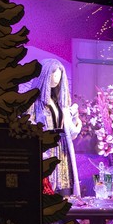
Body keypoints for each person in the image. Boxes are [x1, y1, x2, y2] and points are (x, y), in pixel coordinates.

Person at [25, 58, 82, 196]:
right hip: (46, 150)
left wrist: (75, 121)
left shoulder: (59, 102)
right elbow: (27, 124)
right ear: (44, 75)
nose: (56, 78)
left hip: (62, 149)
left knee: (64, 190)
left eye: (59, 75)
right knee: (46, 188)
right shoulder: (34, 101)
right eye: (53, 74)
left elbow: (70, 130)